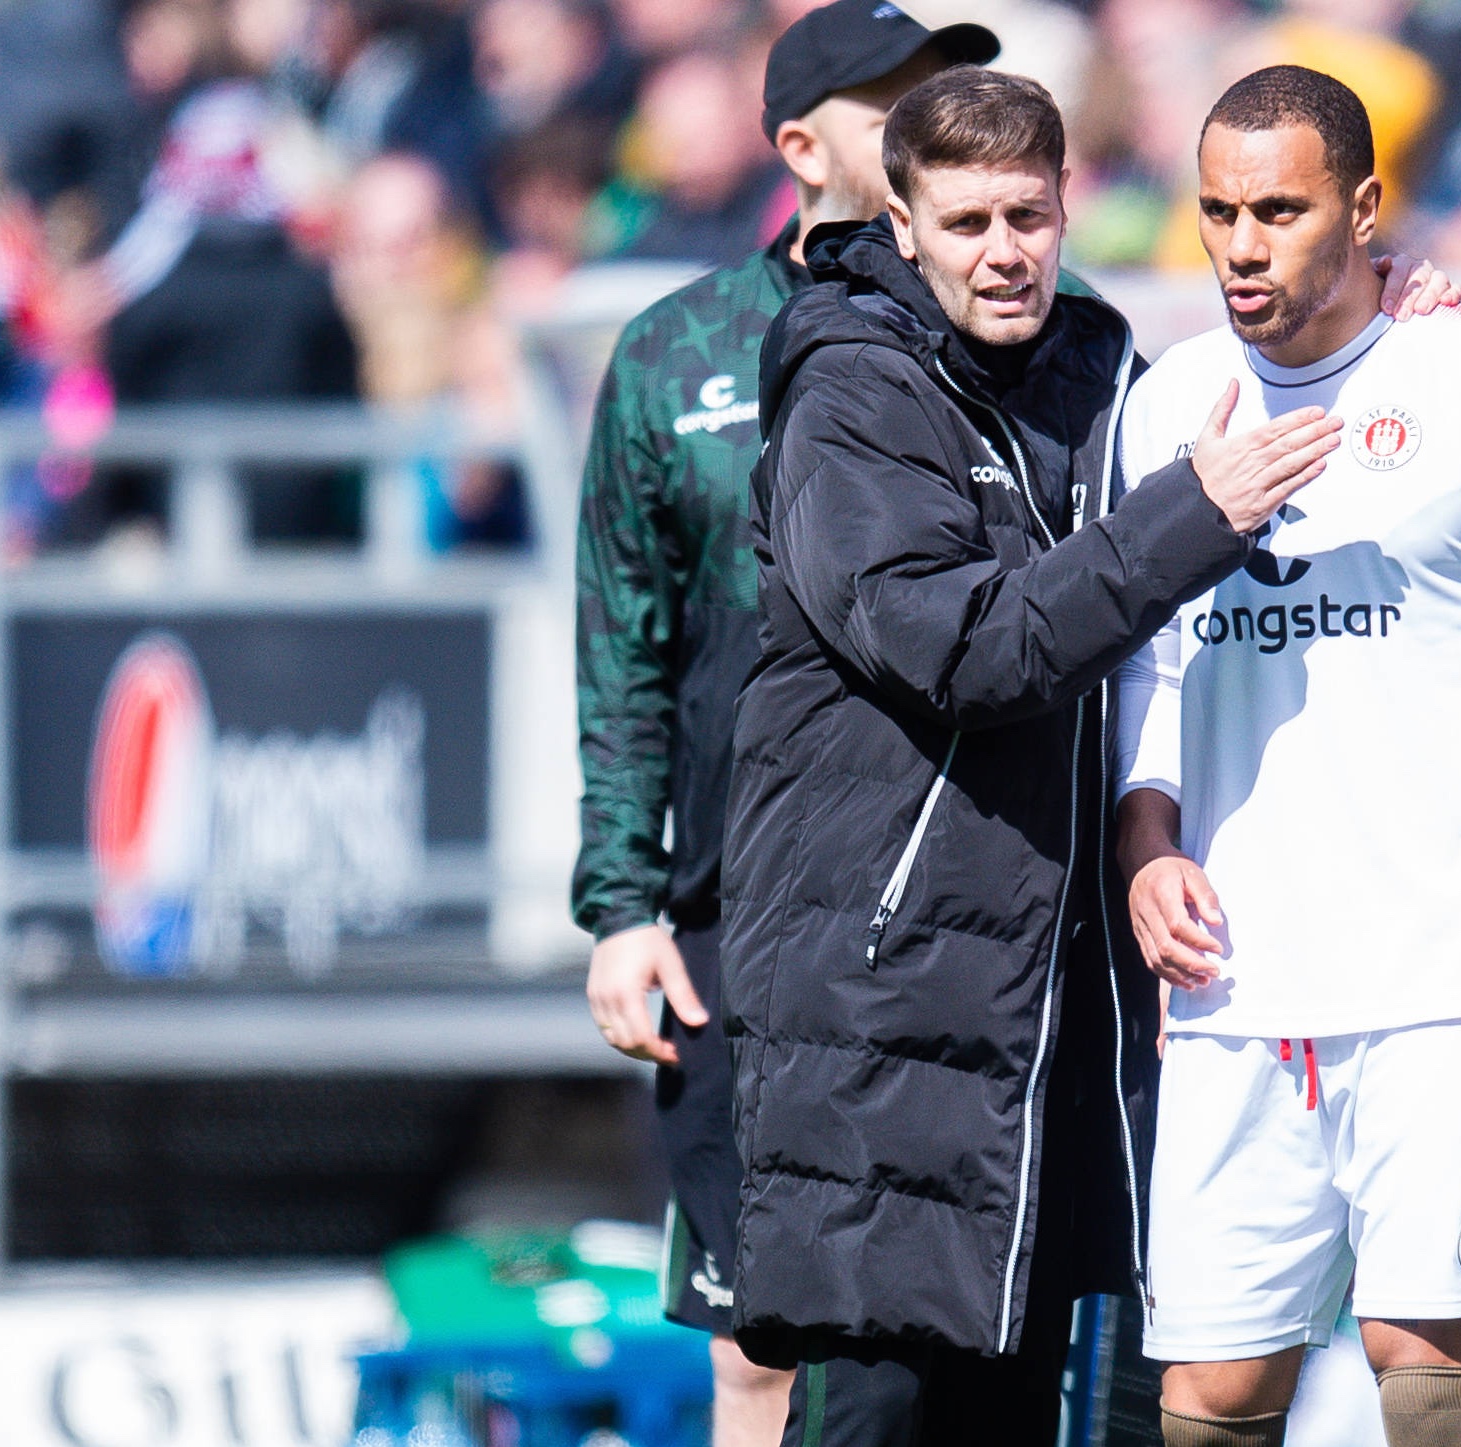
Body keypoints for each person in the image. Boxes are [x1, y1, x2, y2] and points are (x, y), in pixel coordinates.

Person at [718, 64, 1365, 1447]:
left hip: (1042, 1009)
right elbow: (963, 650)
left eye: (1027, 216)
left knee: (1010, 1415)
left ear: (1069, 207)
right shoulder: (850, 398)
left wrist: (1392, 308)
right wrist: (1196, 516)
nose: (1003, 253)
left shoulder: (1095, 367)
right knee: (876, 1412)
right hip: (881, 1002)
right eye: (965, 224)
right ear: (900, 227)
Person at [1111, 65, 1461, 1447]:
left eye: (1279, 210)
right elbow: (1142, 664)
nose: (1240, 244)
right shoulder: (1165, 404)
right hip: (1233, 978)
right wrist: (1145, 842)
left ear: (1362, 205)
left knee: (1425, 1356)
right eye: (1219, 210)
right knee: (1216, 1387)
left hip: (1451, 983)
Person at [572, 6, 1002, 1444]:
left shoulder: (1018, 331)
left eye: (950, 92)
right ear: (802, 146)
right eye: (898, 103)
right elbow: (625, 648)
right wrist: (621, 905)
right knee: (761, 1342)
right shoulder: (673, 354)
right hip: (740, 923)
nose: (936, 119)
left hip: (965, 910)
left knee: (955, 1341)